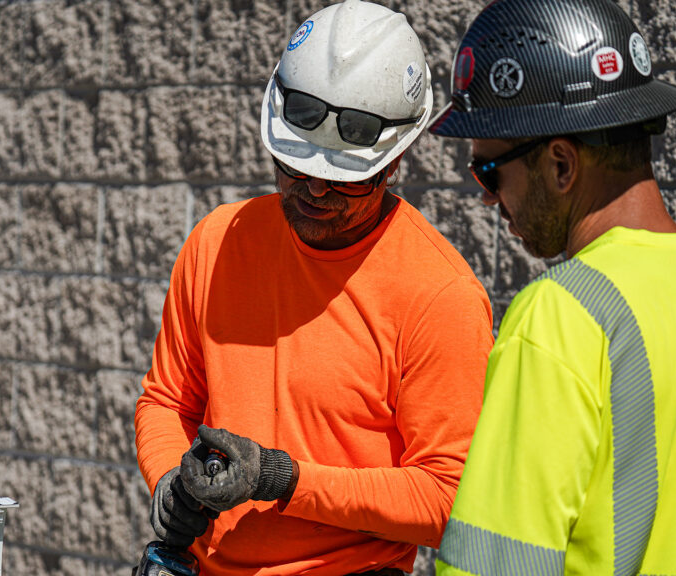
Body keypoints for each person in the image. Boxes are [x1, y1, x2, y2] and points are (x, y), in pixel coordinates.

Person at [134, 1, 495, 574]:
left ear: (395, 159)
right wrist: (173, 482)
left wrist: (285, 481)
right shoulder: (219, 243)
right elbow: (166, 402)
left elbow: (449, 499)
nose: (316, 192)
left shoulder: (438, 295)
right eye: (295, 167)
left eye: (343, 181)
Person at [427, 0, 676, 573]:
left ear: (560, 165)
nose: (485, 197)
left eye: (488, 171)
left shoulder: (562, 317)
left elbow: (495, 564)